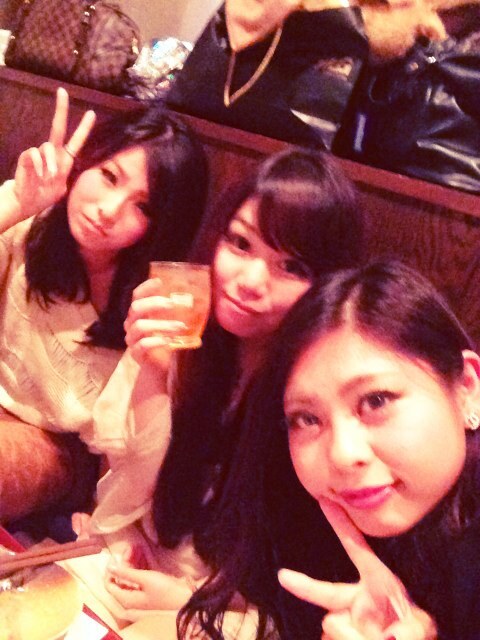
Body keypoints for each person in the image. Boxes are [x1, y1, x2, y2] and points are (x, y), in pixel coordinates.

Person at [67, 147, 365, 637]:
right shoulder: (183, 335)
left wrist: (194, 603)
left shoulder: (317, 405)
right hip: (130, 578)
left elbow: (306, 601)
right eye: (240, 243)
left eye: (292, 266)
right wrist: (153, 377)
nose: (249, 282)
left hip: (228, 617)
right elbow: (123, 499)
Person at [201, 260, 480, 640]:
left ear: (467, 387)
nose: (342, 454)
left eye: (376, 400)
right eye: (307, 419)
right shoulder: (307, 522)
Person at [0, 87, 208, 525]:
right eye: (110, 177)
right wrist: (15, 205)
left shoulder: (156, 301)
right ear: (87, 161)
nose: (109, 210)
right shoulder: (27, 222)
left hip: (55, 447)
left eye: (143, 206)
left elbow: (138, 448)